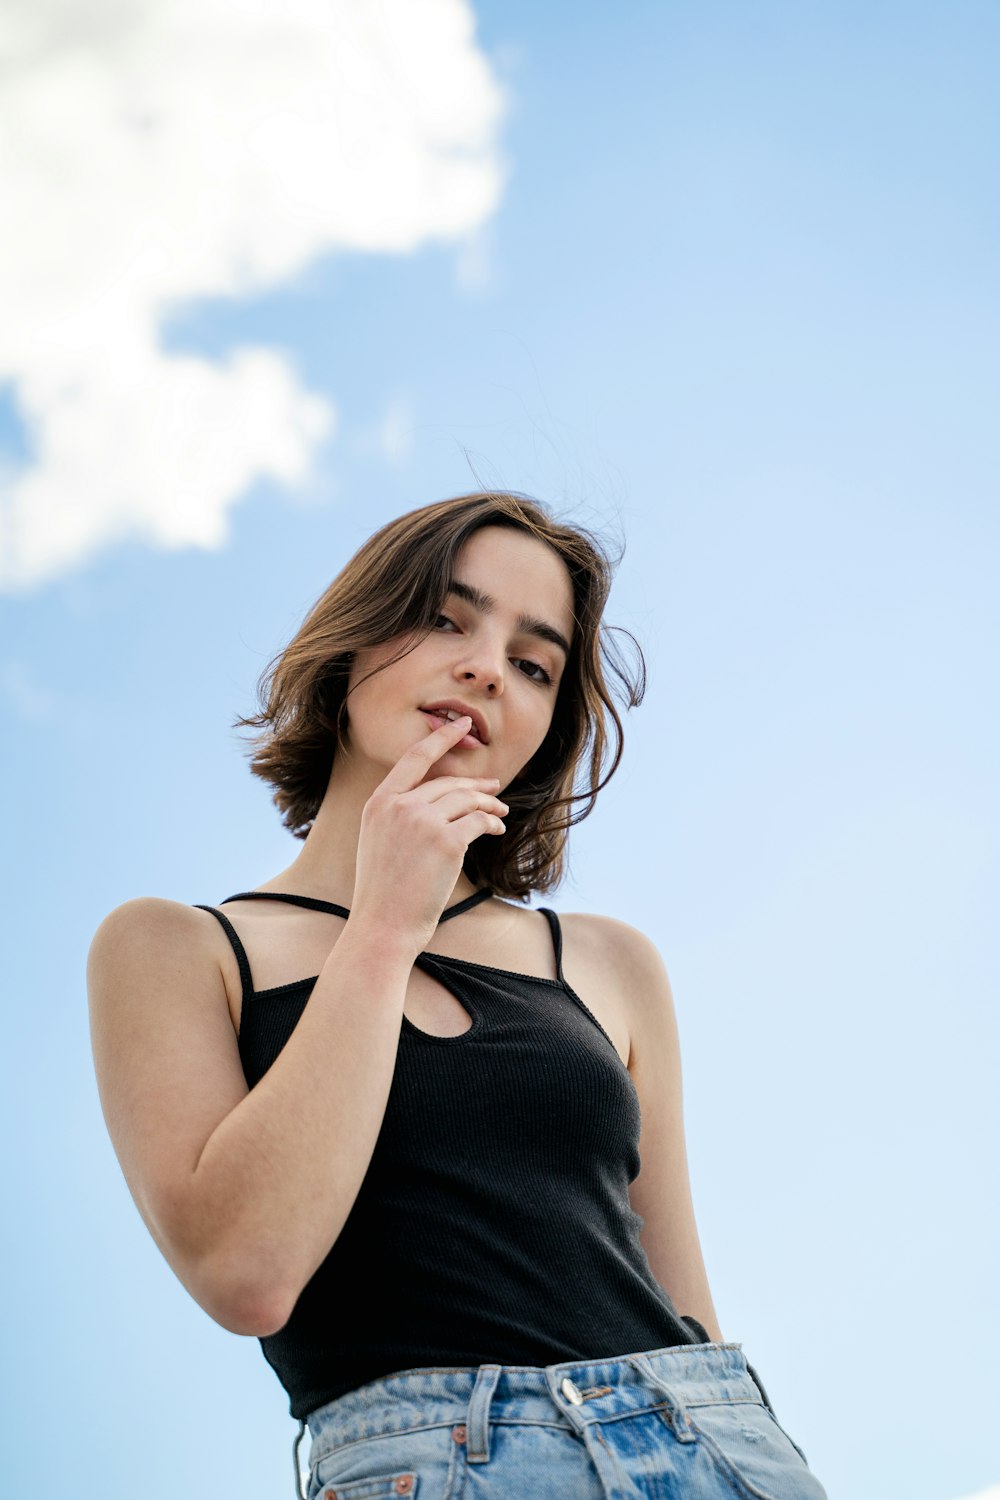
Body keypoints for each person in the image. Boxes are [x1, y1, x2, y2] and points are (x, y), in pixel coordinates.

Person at [88, 489, 828, 1499]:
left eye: (533, 665)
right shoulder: (177, 947)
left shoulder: (608, 962)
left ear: (539, 732)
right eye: (446, 617)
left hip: (711, 1447)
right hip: (438, 1462)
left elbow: (684, 1308)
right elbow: (247, 1272)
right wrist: (386, 924)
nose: (487, 667)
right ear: (352, 646)